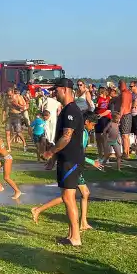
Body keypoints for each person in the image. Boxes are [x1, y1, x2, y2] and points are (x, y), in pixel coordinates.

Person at [32, 111, 101, 232]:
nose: (93, 127)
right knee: (69, 196)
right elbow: (76, 153)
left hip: (75, 165)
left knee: (84, 193)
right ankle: (38, 209)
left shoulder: (83, 132)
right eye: (93, 124)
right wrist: (91, 162)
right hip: (73, 165)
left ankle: (83, 222)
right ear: (87, 122)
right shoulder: (81, 133)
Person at [42, 78, 85, 246]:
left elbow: (66, 137)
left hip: (71, 160)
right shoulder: (66, 109)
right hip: (65, 159)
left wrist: (50, 152)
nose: (54, 93)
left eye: (56, 90)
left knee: (68, 198)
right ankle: (71, 235)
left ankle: (75, 238)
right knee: (68, 197)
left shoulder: (71, 111)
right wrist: (54, 159)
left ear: (65, 90)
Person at [38, 90, 62, 171]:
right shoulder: (57, 102)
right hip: (52, 120)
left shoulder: (49, 100)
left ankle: (51, 161)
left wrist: (42, 112)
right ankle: (50, 161)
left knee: (50, 141)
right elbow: (59, 111)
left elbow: (41, 106)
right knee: (51, 141)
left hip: (49, 120)